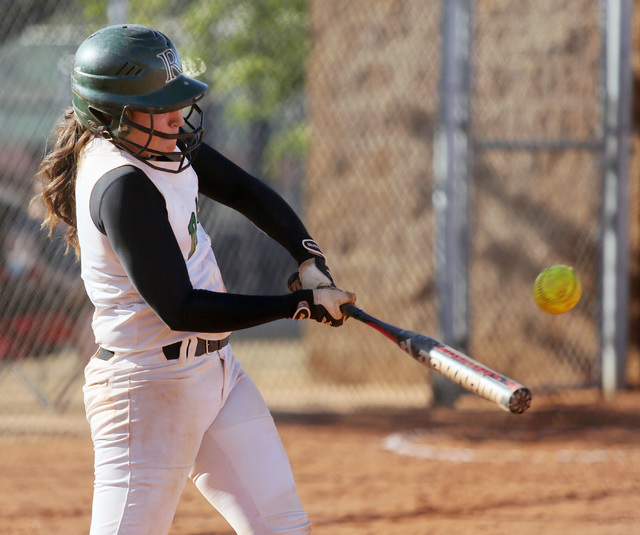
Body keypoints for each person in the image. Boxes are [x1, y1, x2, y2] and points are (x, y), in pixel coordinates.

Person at [35, 24, 356, 535]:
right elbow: (182, 309)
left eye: (175, 101)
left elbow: (246, 191)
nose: (176, 117)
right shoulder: (122, 186)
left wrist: (306, 258)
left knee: (283, 527)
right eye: (158, 106)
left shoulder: (159, 139)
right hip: (145, 392)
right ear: (107, 116)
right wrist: (296, 306)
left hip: (217, 377)